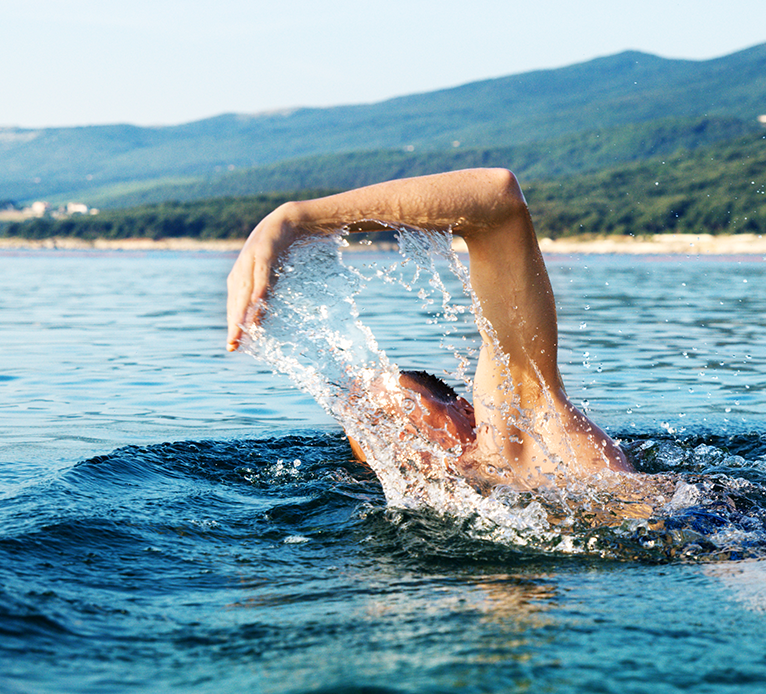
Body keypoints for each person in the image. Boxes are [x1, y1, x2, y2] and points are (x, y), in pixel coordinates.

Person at [226, 168, 635, 492]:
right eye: (376, 436)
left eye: (401, 415)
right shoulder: (459, 503)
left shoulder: (522, 435)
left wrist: (295, 219)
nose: (397, 440)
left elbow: (497, 200)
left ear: (466, 410)